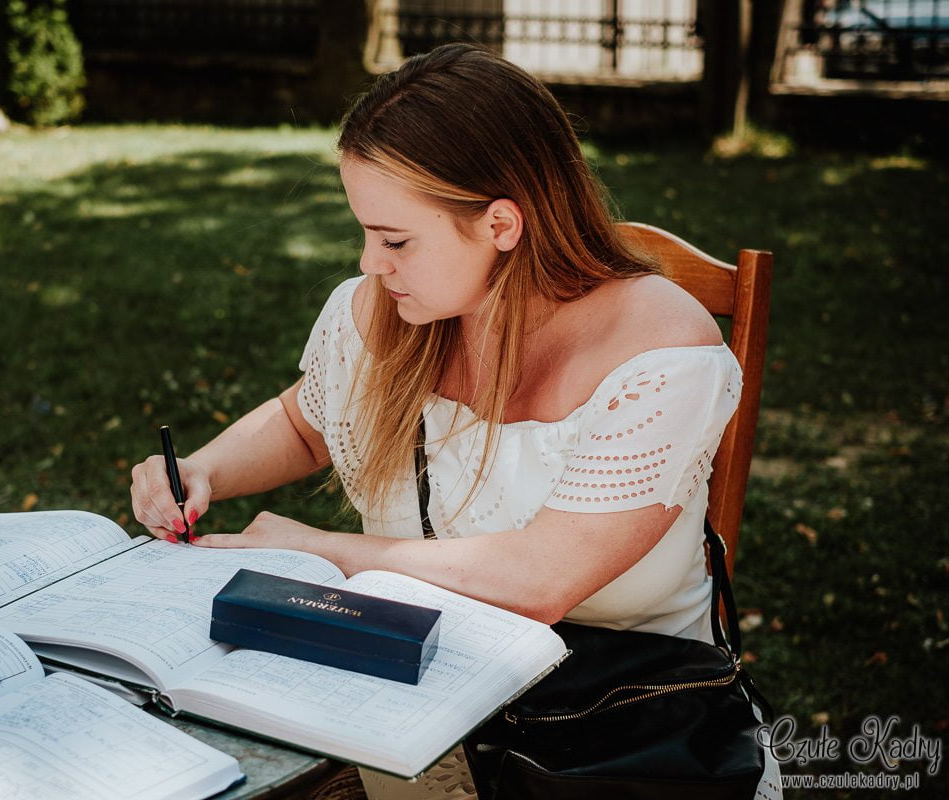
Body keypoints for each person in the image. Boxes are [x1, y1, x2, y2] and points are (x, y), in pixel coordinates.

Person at [131, 43, 780, 800]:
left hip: (614, 736)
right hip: (403, 703)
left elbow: (541, 580)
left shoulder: (661, 349)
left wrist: (315, 551)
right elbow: (306, 423)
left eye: (395, 239)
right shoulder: (394, 310)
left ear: (502, 224)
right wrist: (204, 468)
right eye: (366, 232)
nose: (371, 263)